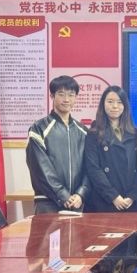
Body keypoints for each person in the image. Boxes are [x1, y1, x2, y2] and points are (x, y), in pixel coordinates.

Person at [26, 75, 89, 214]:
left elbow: (90, 167)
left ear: (76, 97)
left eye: (71, 95)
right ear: (52, 96)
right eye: (61, 94)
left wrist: (81, 193)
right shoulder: (38, 128)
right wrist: (62, 194)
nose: (66, 99)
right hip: (47, 202)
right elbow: (40, 167)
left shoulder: (83, 131)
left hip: (77, 203)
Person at [84, 85, 137, 213]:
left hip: (131, 201)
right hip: (104, 200)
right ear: (103, 104)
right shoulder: (94, 133)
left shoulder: (135, 133)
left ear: (125, 106)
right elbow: (93, 169)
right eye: (110, 102)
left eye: (119, 102)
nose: (115, 106)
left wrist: (133, 195)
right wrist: (113, 196)